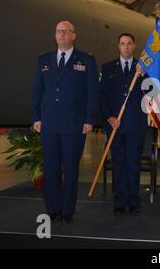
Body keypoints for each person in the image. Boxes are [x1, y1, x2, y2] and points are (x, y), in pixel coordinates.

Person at [31, 21, 99, 224]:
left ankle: (67, 210)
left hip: (74, 124)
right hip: (49, 123)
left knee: (71, 168)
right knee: (51, 168)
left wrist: (89, 119)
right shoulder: (44, 60)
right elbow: (37, 90)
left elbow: (92, 92)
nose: (61, 34)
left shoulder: (86, 60)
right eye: (58, 31)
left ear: (73, 36)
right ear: (55, 35)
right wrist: (36, 117)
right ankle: (53, 209)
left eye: (66, 31)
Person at [99, 33, 147, 215]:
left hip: (136, 125)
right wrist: (109, 117)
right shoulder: (108, 67)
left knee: (133, 163)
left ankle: (133, 200)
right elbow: (102, 96)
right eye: (122, 44)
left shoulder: (142, 69)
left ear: (134, 46)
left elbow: (152, 92)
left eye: (129, 44)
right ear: (118, 46)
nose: (126, 47)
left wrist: (142, 76)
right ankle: (119, 200)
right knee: (119, 163)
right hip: (115, 125)